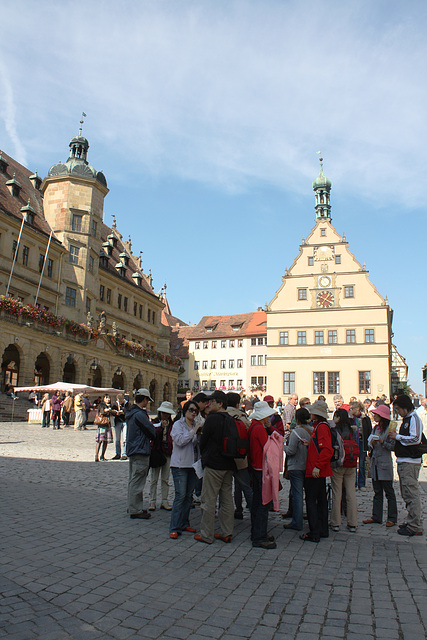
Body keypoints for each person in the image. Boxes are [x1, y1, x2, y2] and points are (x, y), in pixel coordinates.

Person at [194, 391, 236, 545]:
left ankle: (206, 534)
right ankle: (226, 532)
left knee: (208, 500)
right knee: (226, 500)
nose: (208, 404)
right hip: (228, 464)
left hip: (214, 464)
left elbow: (203, 442)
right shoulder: (230, 419)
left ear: (220, 404)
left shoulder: (212, 419)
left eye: (211, 402)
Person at [388, 395, 423, 536]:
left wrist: (397, 437)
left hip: (410, 461)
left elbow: (415, 438)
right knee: (406, 493)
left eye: (398, 409)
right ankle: (411, 520)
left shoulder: (414, 418)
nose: (398, 412)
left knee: (411, 493)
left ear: (405, 407)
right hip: (404, 461)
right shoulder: (407, 419)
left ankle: (415, 525)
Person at [300, 399, 333, 543]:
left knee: (312, 501)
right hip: (318, 469)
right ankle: (322, 529)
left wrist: (317, 466)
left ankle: (314, 532)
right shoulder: (320, 426)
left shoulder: (321, 427)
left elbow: (327, 450)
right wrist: (310, 445)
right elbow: (321, 447)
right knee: (320, 501)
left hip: (315, 470)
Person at [169, 400, 201, 538]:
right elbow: (180, 441)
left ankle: (184, 523)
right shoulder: (178, 425)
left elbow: (195, 444)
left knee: (189, 496)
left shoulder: (195, 425)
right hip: (180, 465)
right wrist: (194, 431)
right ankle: (174, 526)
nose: (194, 413)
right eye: (191, 410)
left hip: (192, 465)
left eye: (196, 411)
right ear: (185, 410)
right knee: (180, 496)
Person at [247, 401, 277, 549]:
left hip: (255, 467)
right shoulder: (259, 428)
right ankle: (259, 536)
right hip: (261, 469)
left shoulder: (253, 426)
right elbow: (268, 449)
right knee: (263, 504)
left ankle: (257, 532)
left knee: (258, 502)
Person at [363, 404, 397, 527]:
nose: (374, 416)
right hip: (375, 464)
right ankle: (376, 516)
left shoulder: (390, 428)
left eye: (376, 414)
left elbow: (393, 446)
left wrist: (382, 442)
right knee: (377, 491)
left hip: (385, 464)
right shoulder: (375, 428)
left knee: (389, 492)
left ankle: (392, 517)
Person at [126, 388, 156, 519]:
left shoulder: (131, 412)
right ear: (144, 399)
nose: (147, 403)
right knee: (138, 481)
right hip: (141, 449)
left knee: (133, 480)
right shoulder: (140, 414)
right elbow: (151, 432)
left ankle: (133, 506)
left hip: (133, 449)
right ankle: (135, 509)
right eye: (147, 400)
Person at [283, 407, 313, 532]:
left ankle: (297, 521)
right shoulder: (313, 431)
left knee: (297, 495)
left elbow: (291, 451)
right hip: (309, 466)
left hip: (296, 466)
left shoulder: (296, 432)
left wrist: (282, 447)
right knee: (309, 495)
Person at [329, 408, 358, 533]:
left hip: (338, 464)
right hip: (351, 464)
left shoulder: (334, 430)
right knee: (351, 494)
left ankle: (335, 522)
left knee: (337, 493)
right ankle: (352, 523)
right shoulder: (352, 430)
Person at [226, 392, 253, 520]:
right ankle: (248, 511)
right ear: (237, 404)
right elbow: (249, 432)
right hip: (240, 456)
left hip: (224, 456)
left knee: (224, 487)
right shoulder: (241, 417)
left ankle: (224, 511)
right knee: (243, 485)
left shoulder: (222, 415)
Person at [148, 400, 175, 511]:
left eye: (167, 413)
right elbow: (153, 436)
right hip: (156, 452)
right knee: (154, 479)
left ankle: (164, 500)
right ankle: (152, 501)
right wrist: (161, 428)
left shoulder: (172, 424)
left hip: (167, 453)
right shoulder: (154, 422)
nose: (165, 415)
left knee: (165, 479)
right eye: (164, 412)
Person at [95, 394, 114, 461]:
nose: (108, 399)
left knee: (105, 441)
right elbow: (102, 412)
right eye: (107, 398)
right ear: (104, 398)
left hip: (107, 424)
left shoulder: (109, 405)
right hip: (102, 424)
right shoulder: (102, 405)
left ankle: (102, 455)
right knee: (100, 440)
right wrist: (107, 410)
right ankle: (96, 456)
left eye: (109, 398)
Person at [111, 393, 128, 460]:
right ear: (117, 399)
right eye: (120, 401)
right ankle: (118, 453)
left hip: (125, 422)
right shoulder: (115, 404)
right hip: (117, 422)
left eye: (122, 401)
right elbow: (112, 412)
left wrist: (123, 412)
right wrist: (115, 412)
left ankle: (124, 453)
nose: (121, 402)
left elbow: (129, 411)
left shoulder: (127, 404)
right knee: (117, 439)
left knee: (125, 438)